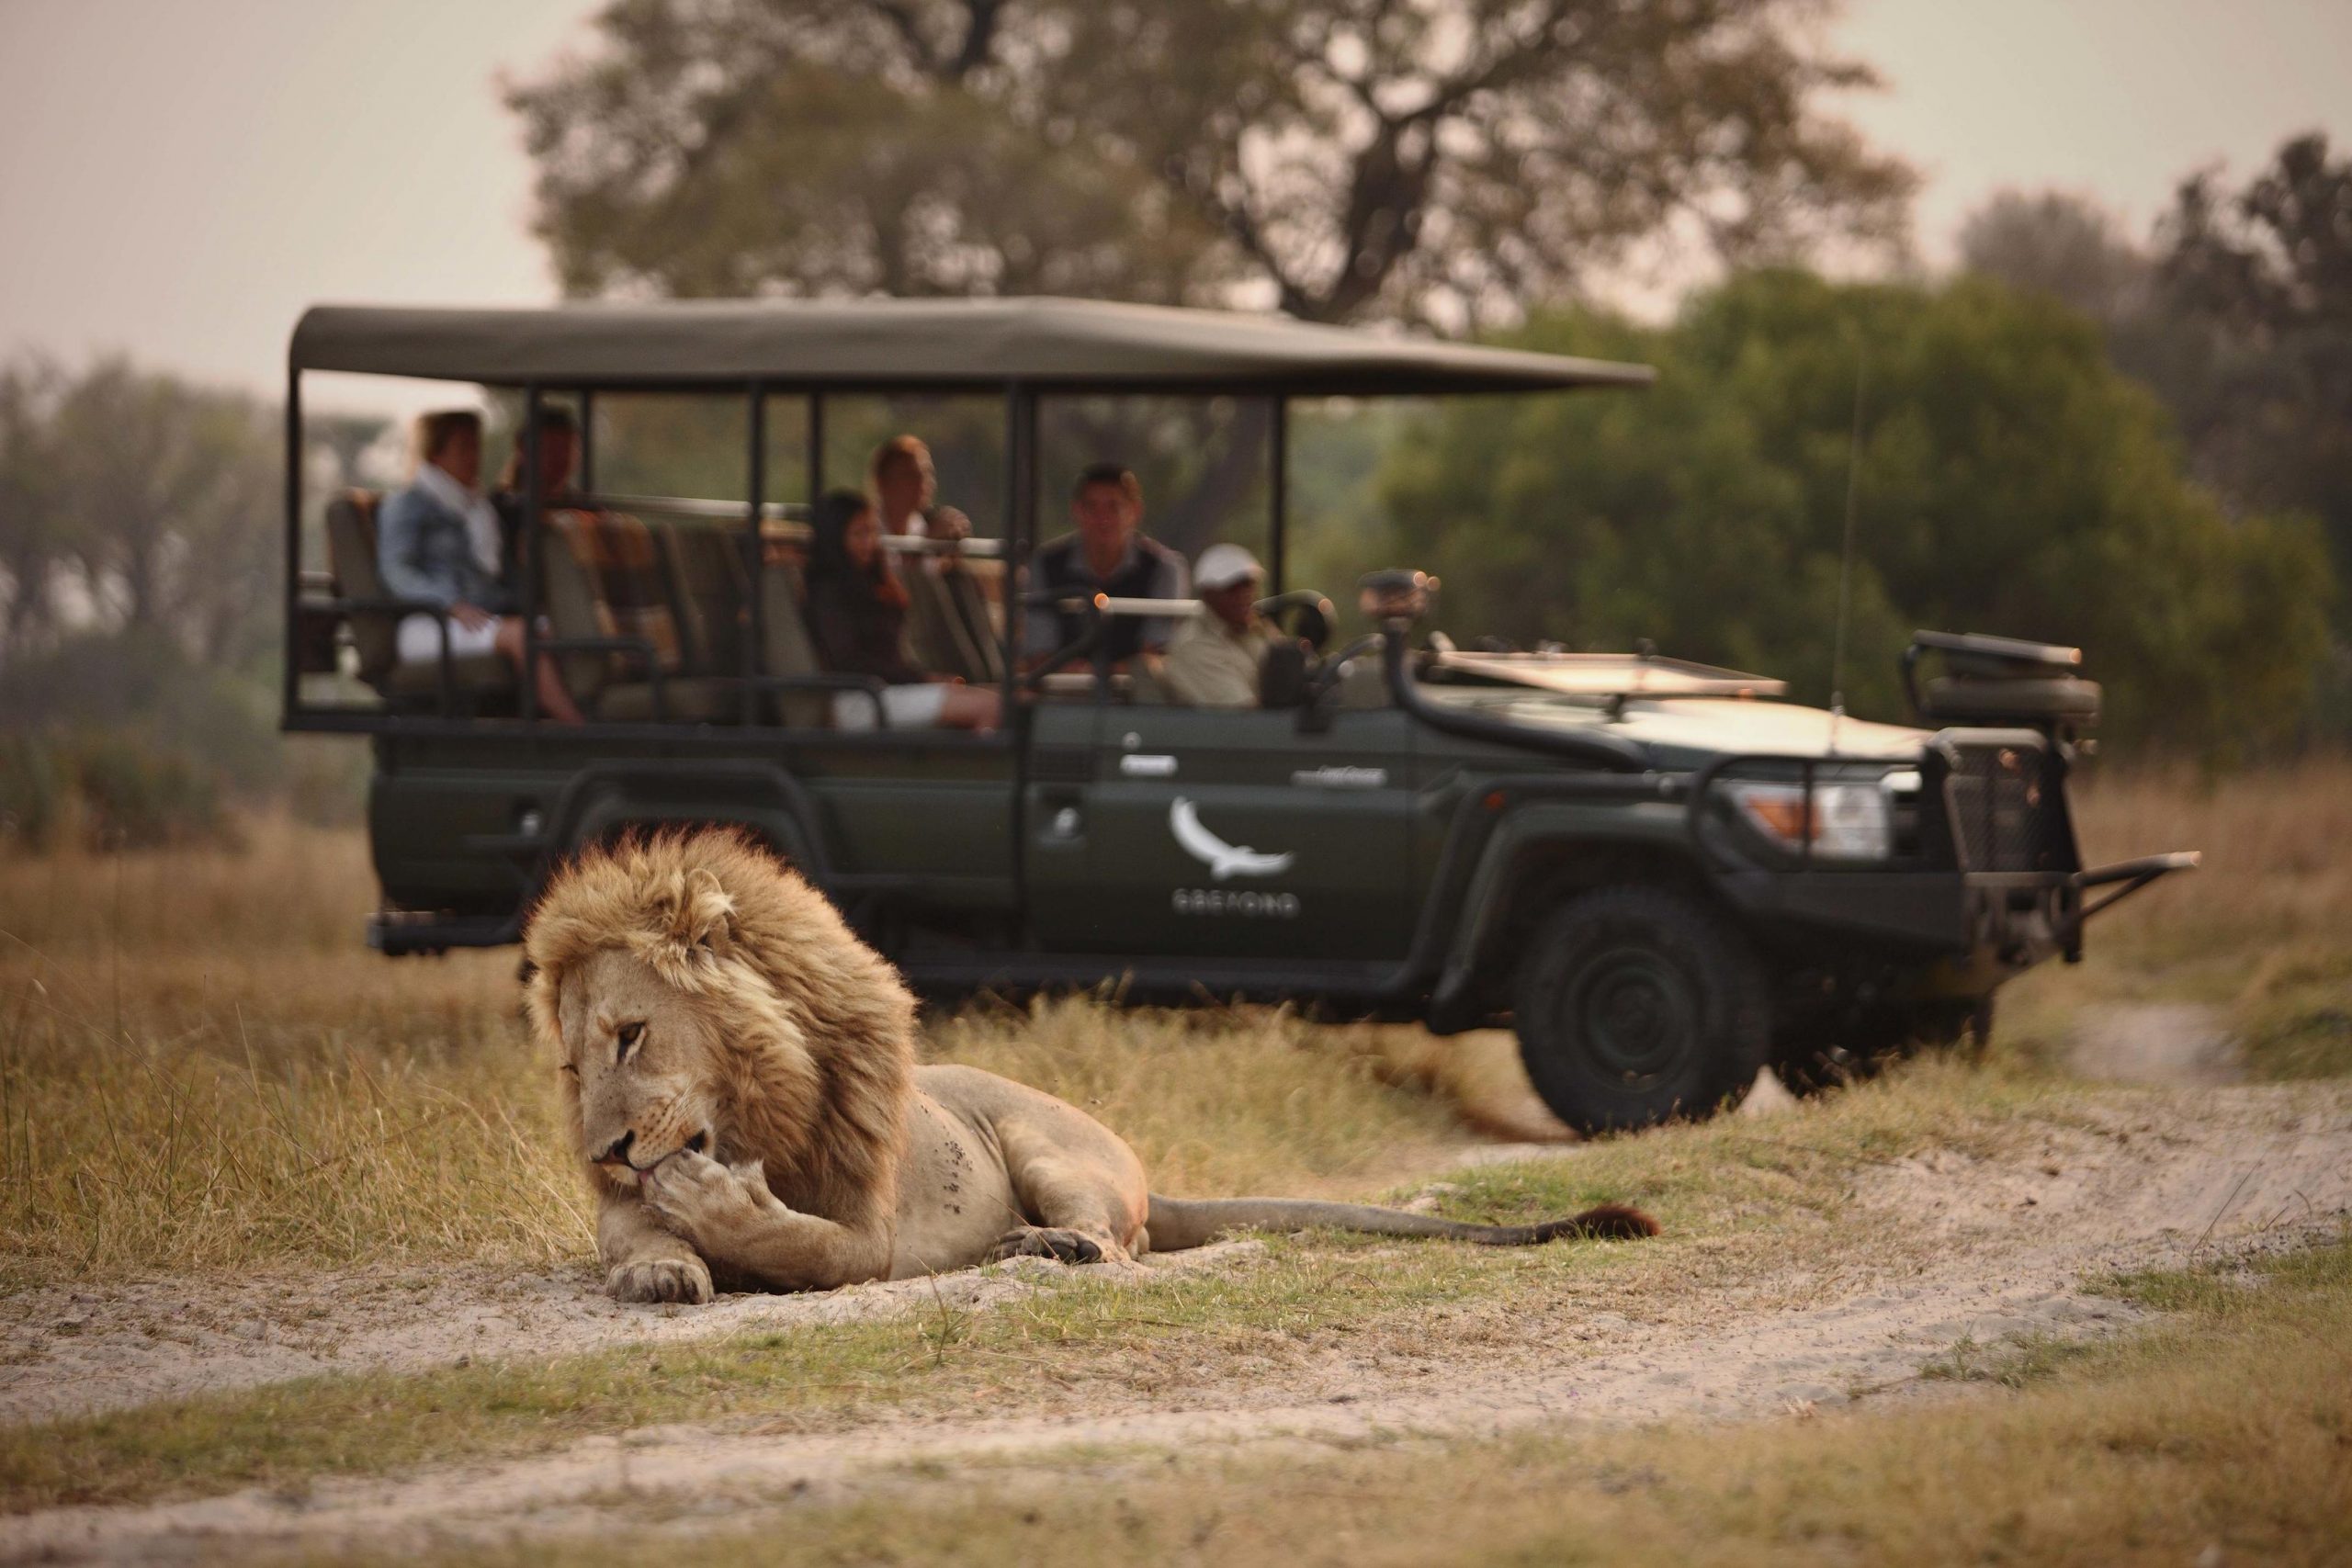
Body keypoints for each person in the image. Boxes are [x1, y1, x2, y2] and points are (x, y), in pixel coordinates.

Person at [377, 409, 582, 723]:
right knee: (521, 636)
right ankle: (577, 726)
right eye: (464, 448)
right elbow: (397, 571)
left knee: (561, 628)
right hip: (430, 621)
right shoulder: (408, 505)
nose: (474, 457)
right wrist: (450, 603)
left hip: (480, 614)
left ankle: (582, 708)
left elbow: (499, 573)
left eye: (476, 447)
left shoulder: (478, 507)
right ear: (436, 453)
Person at [803, 490, 1001, 732]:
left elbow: (889, 655)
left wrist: (923, 679)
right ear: (836, 538)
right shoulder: (829, 592)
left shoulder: (870, 581)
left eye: (872, 531)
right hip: (860, 699)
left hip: (888, 691)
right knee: (990, 707)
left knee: (1003, 700)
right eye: (858, 534)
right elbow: (851, 661)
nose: (869, 543)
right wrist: (921, 680)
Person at [1023, 463, 1188, 666]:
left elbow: (1157, 653)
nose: (1103, 519)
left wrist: (1106, 678)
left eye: (1114, 507)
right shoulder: (1045, 564)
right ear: (1076, 511)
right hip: (1059, 692)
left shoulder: (1163, 568)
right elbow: (1039, 651)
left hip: (1138, 695)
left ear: (1135, 511)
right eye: (1091, 507)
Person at [1162, 544, 1279, 708]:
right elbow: (1245, 715)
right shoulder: (1194, 645)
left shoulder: (1258, 628)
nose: (1243, 594)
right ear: (1208, 593)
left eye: (1248, 584)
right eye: (1232, 587)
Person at [868, 434, 973, 549]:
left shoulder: (920, 526)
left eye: (927, 474)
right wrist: (925, 545)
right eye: (910, 476)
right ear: (882, 482)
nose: (923, 484)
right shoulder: (865, 529)